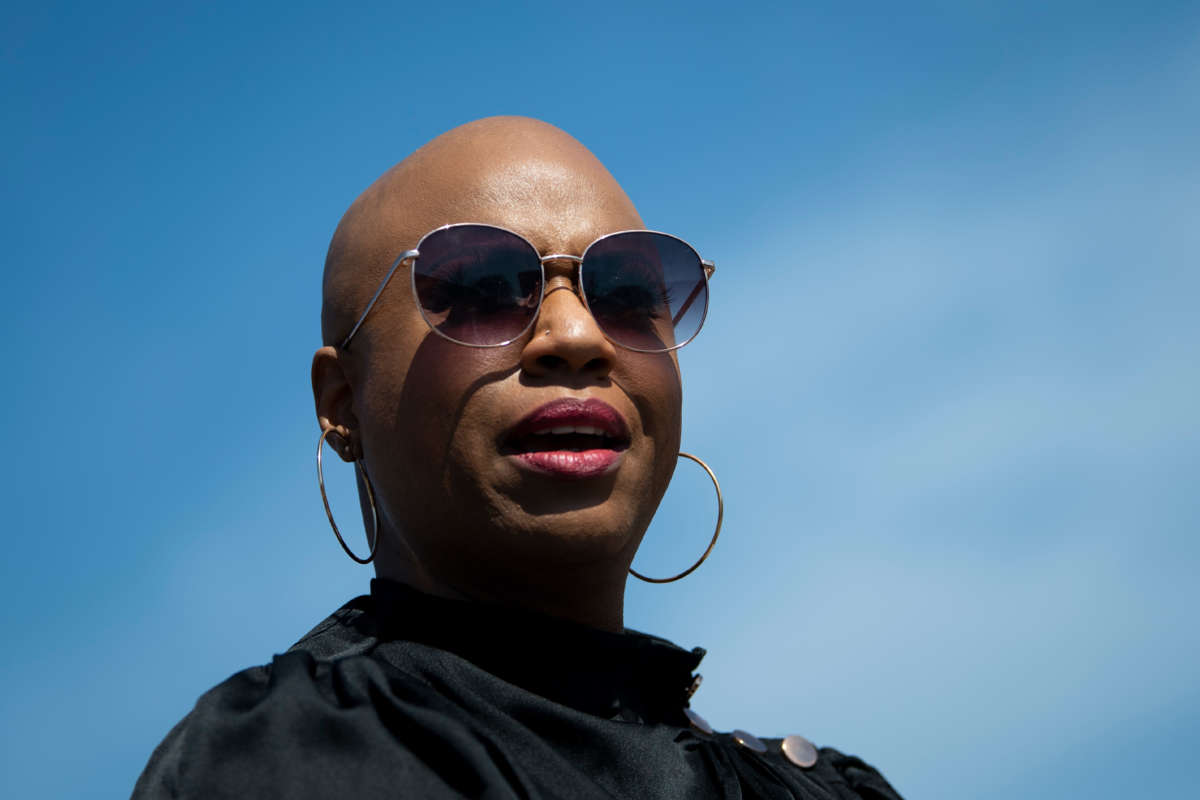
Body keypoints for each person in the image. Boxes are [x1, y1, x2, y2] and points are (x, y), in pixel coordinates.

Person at [133, 116, 903, 799]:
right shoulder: (299, 756)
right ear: (342, 403)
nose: (577, 336)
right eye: (483, 286)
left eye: (628, 292)